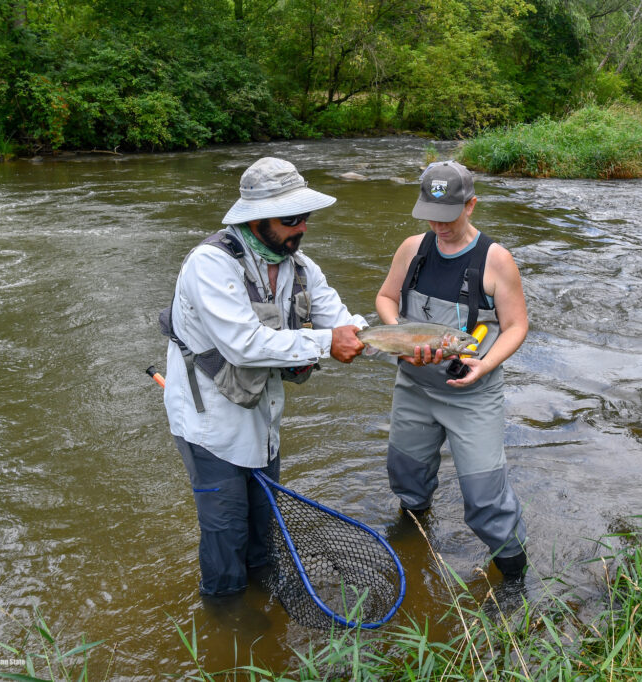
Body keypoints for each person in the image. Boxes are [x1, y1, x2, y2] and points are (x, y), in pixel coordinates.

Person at [162, 157, 366, 597]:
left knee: (263, 534)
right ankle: (226, 630)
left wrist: (405, 342)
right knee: (224, 539)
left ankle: (265, 612)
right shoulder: (209, 264)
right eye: (291, 219)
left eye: (305, 217)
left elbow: (345, 323)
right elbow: (245, 345)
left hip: (264, 425)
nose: (303, 228)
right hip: (210, 429)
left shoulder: (302, 267)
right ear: (255, 220)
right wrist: (327, 343)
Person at [374, 160, 529, 580]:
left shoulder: (496, 261)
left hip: (472, 394)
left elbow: (517, 326)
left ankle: (516, 583)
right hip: (414, 387)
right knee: (406, 474)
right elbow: (386, 298)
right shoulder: (412, 249)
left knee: (485, 499)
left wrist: (485, 365)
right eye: (430, 216)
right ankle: (414, 543)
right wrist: (400, 336)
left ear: (471, 205)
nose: (438, 227)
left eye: (448, 217)